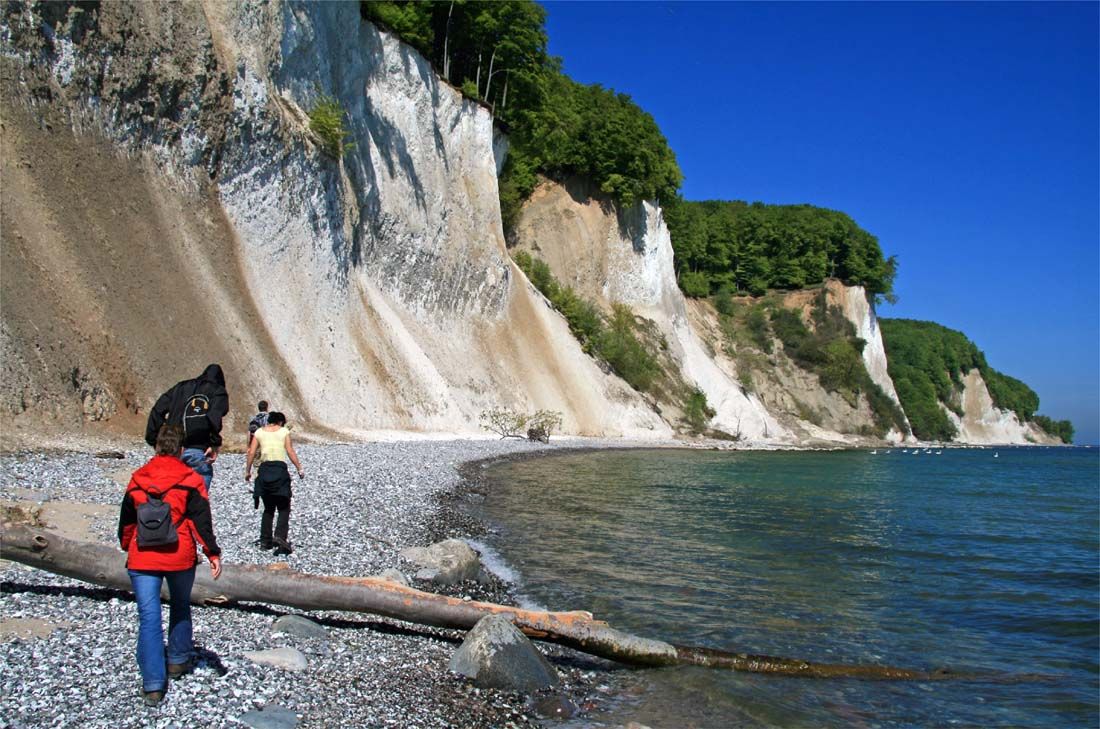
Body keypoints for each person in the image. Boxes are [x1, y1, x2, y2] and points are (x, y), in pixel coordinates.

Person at [119, 424, 222, 707]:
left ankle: (153, 684)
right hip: (179, 555)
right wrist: (212, 553)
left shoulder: (137, 479)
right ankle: (177, 660)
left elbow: (127, 521)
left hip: (143, 556)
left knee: (148, 618)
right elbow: (201, 521)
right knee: (180, 605)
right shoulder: (191, 479)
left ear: (155, 448)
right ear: (180, 450)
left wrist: (127, 544)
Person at [145, 364, 229, 490]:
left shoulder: (180, 387)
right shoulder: (218, 391)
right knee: (197, 498)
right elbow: (214, 416)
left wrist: (154, 438)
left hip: (172, 447)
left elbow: (158, 409)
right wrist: (214, 443)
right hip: (197, 448)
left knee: (169, 492)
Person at [245, 411, 304, 555]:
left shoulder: (259, 432)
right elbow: (289, 451)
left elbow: (251, 452)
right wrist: (299, 468)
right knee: (284, 507)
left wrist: (248, 471)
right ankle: (280, 536)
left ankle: (265, 541)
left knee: (268, 508)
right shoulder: (284, 431)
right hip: (279, 470)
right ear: (280, 422)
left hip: (264, 471)